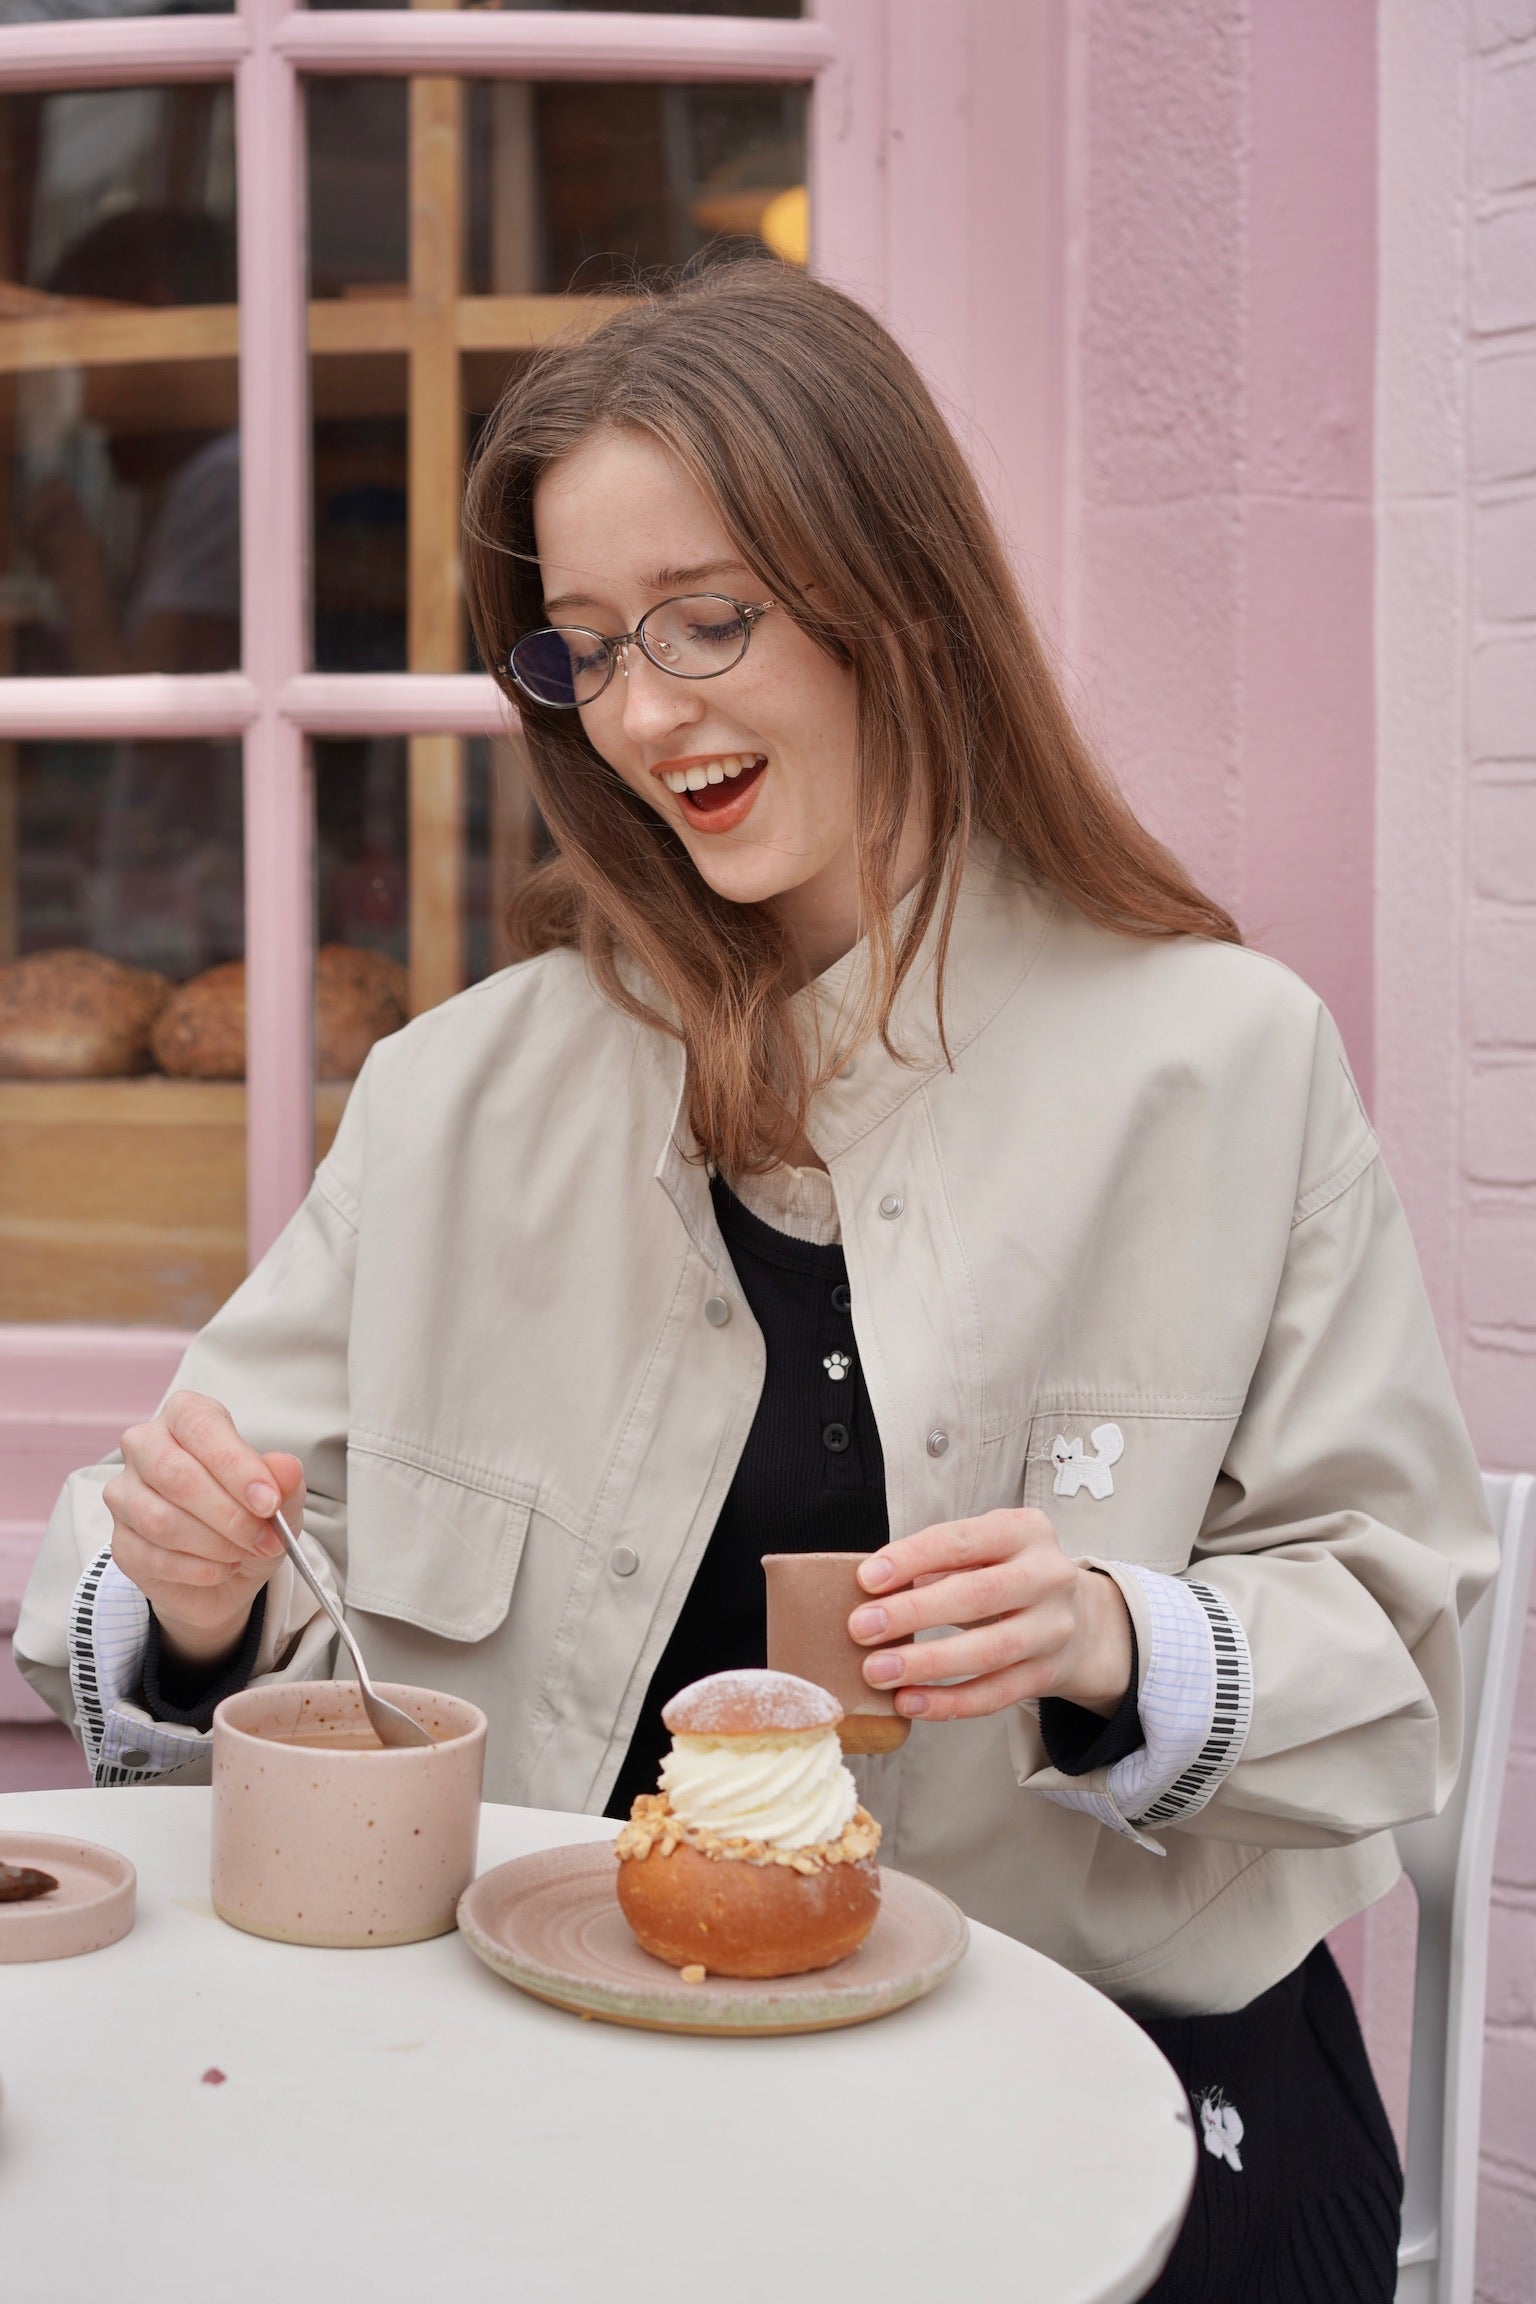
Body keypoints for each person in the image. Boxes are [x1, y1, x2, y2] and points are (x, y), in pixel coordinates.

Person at [17, 261, 1495, 2303]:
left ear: (895, 590)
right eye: (587, 648)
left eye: (710, 621)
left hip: (1123, 2067)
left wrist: (1113, 1637)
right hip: (573, 2093)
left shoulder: (1227, 1064)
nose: (644, 713)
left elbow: (1397, 1641)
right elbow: (170, 1557)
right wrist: (195, 1603)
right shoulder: (461, 1094)